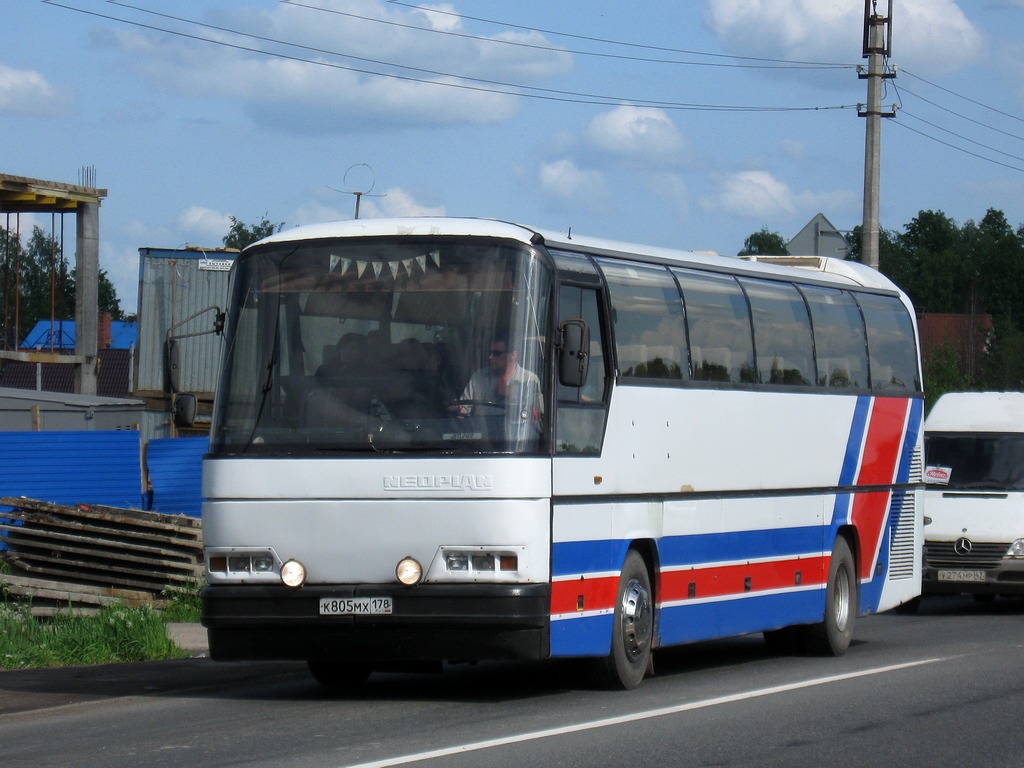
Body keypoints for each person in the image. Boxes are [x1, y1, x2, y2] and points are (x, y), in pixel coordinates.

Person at [455, 336, 543, 440]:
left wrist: (513, 395)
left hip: (515, 443)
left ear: (513, 355)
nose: (490, 357)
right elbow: (464, 409)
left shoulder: (528, 380)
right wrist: (458, 409)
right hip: (480, 442)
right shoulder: (478, 377)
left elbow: (537, 420)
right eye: (490, 352)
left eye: (496, 353)